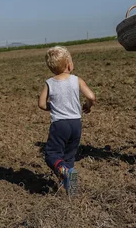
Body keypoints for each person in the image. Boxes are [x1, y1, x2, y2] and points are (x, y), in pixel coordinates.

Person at [38, 46, 96, 195]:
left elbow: (41, 104)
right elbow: (91, 96)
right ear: (69, 65)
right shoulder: (76, 80)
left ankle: (64, 172)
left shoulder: (49, 83)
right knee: (69, 157)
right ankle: (73, 190)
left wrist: (54, 107)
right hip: (76, 124)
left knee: (51, 155)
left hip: (59, 124)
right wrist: (88, 106)